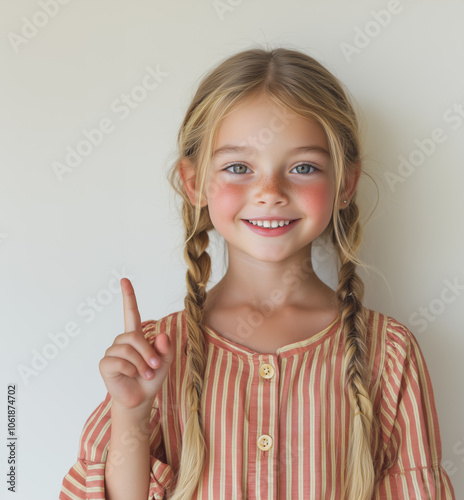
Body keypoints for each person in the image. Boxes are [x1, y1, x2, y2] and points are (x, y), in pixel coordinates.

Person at [59, 46, 456, 500]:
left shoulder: (390, 355)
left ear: (345, 184)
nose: (270, 192)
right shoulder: (155, 357)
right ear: (194, 183)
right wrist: (131, 415)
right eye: (239, 168)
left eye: (303, 167)